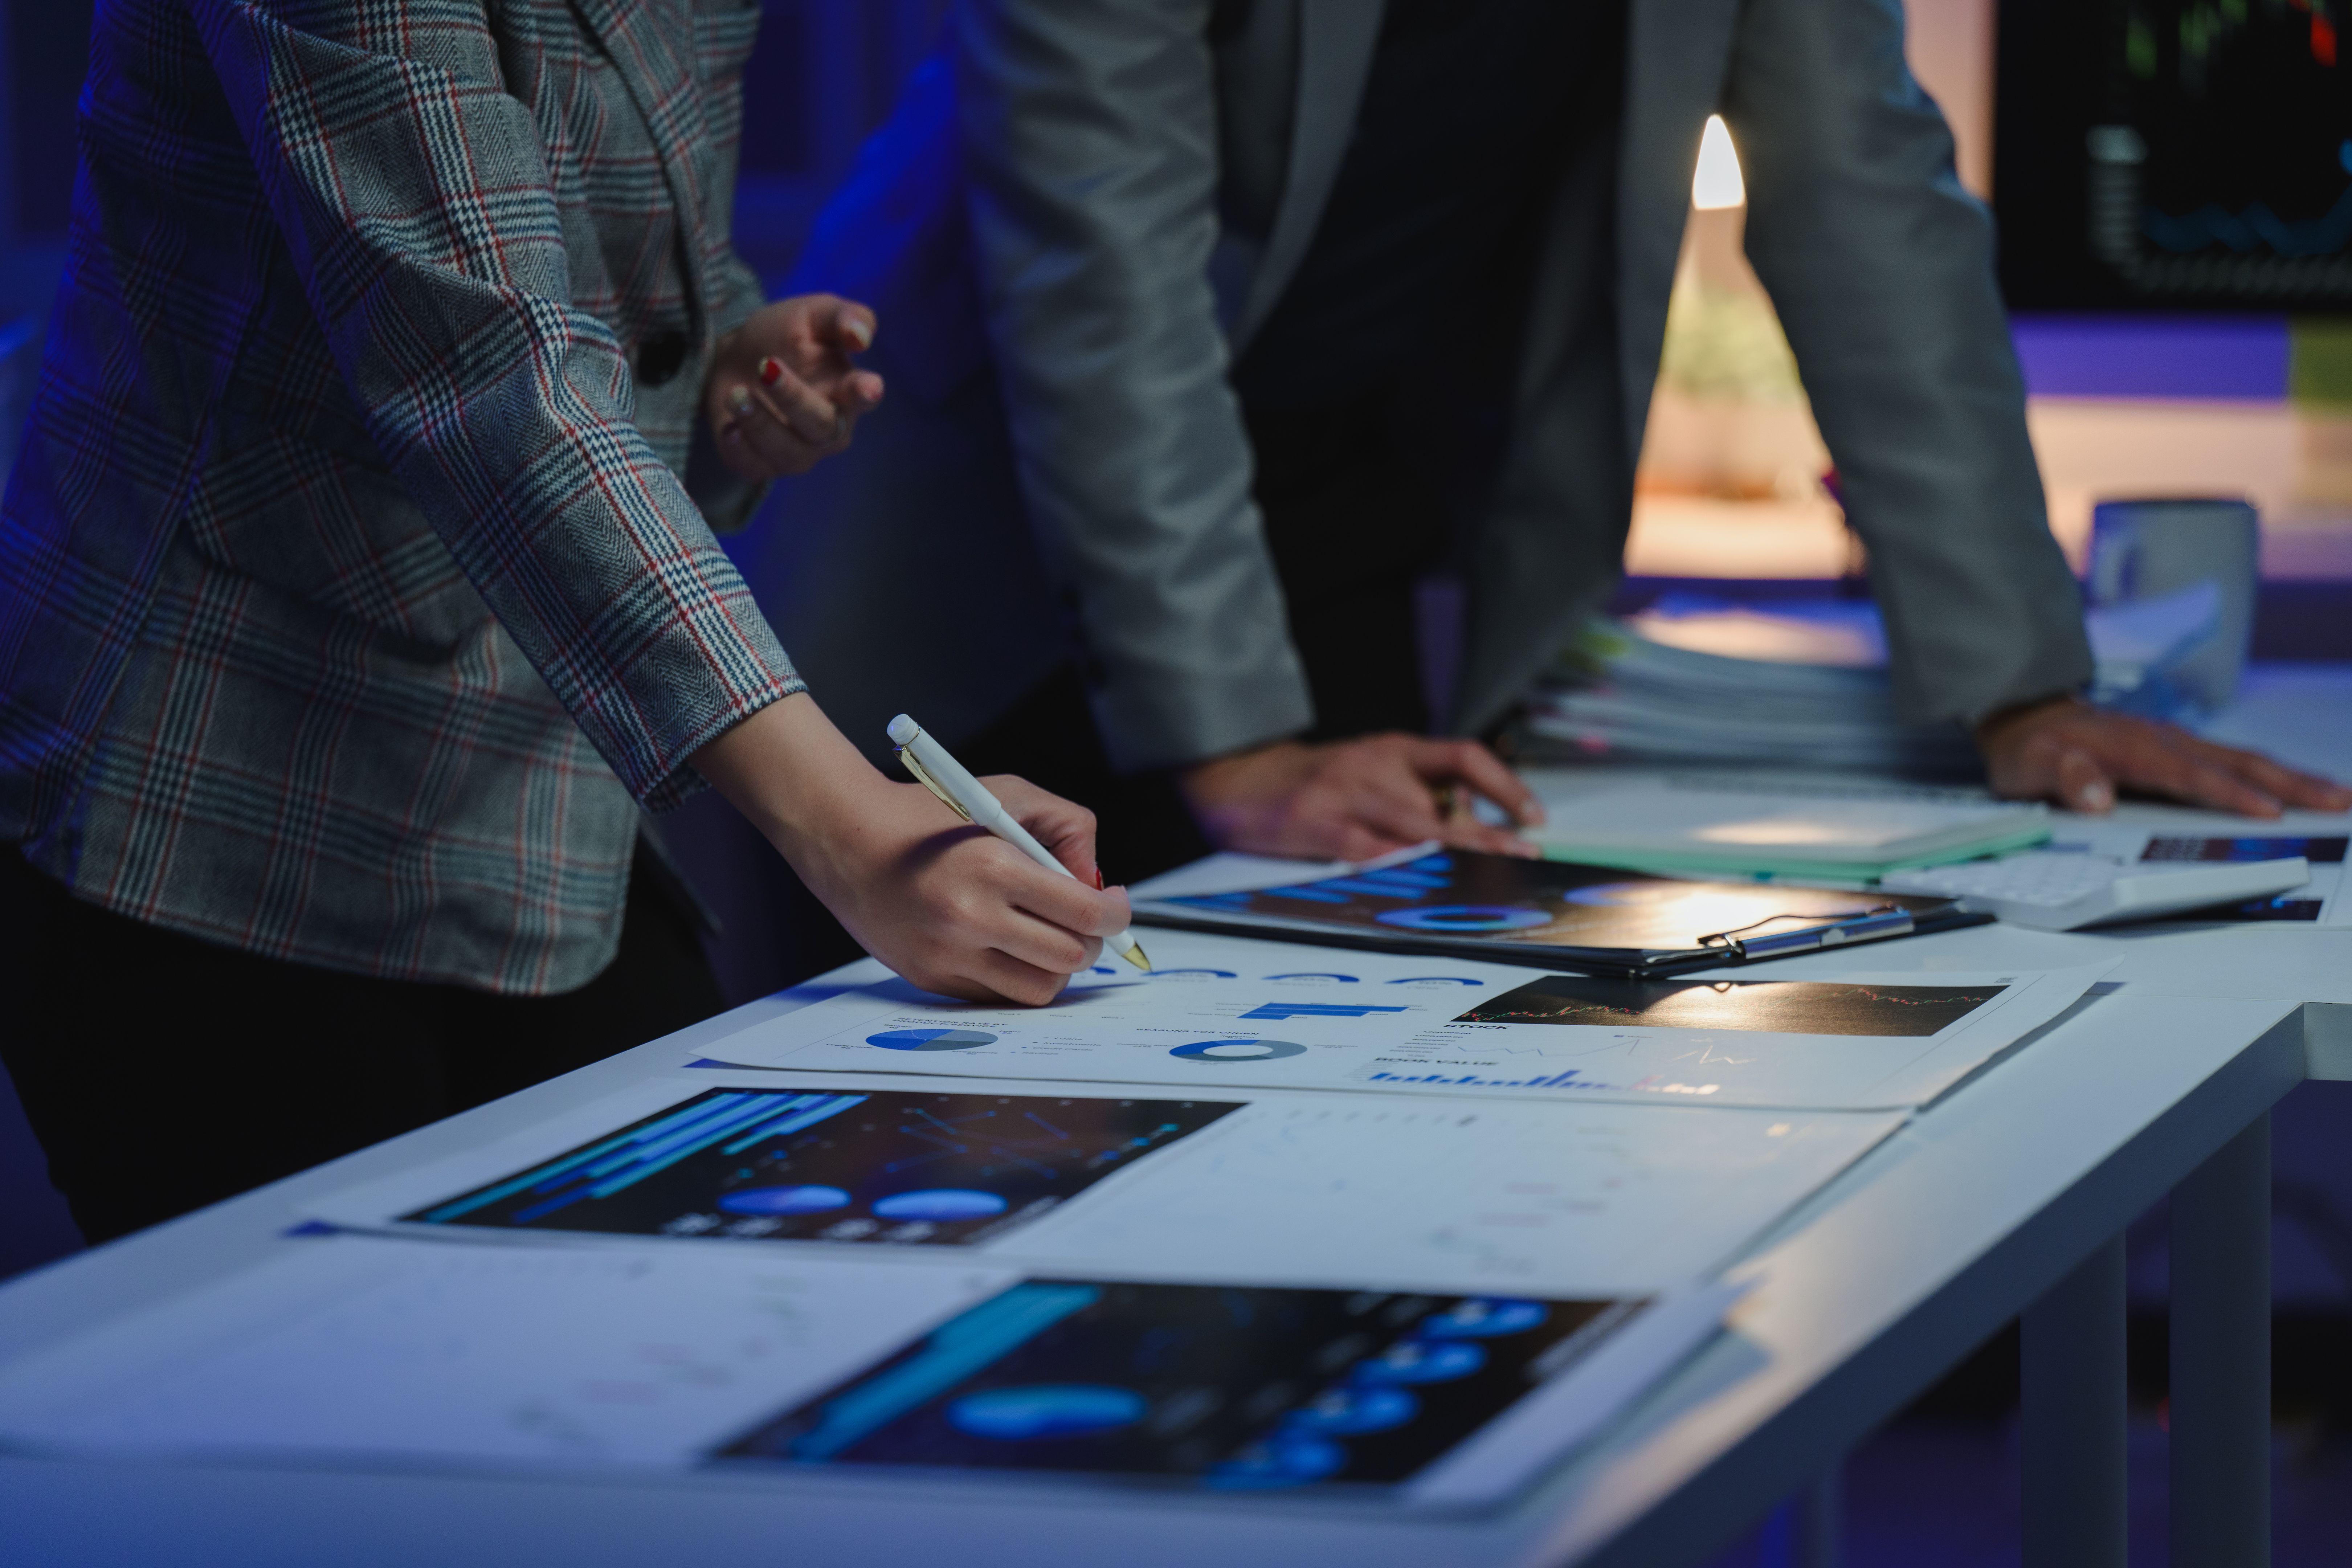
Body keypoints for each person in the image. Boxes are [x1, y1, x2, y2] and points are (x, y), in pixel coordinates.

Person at [742, 0, 2347, 893]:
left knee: (1332, 1070)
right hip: (978, 476)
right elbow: (1104, 283)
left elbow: (1869, 202)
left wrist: (2026, 691)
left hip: (1329, 493)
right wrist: (1238, 750)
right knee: (943, 1092)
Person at [0, 0, 1126, 1245]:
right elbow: (485, 368)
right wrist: (856, 827)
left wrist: (719, 358)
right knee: (324, 1391)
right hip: (220, 773)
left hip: (541, 789)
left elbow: (593, 206)